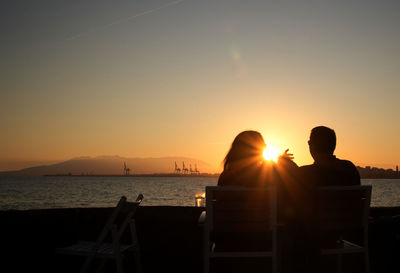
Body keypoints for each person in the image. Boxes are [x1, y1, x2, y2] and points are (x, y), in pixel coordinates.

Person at [218, 130, 297, 187]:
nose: (265, 146)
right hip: (262, 210)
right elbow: (295, 176)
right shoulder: (266, 173)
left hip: (228, 210)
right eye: (263, 144)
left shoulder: (225, 177)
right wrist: (283, 162)